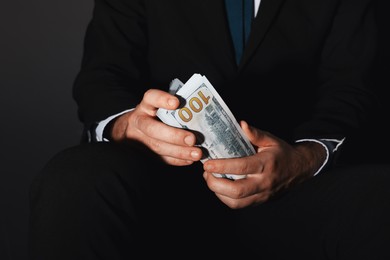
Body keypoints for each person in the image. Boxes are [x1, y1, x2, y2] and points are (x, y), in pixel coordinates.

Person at [29, 0, 390, 259]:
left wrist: (304, 159)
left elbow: (353, 90)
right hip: (160, 188)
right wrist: (128, 126)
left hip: (294, 193)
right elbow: (101, 77)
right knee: (74, 177)